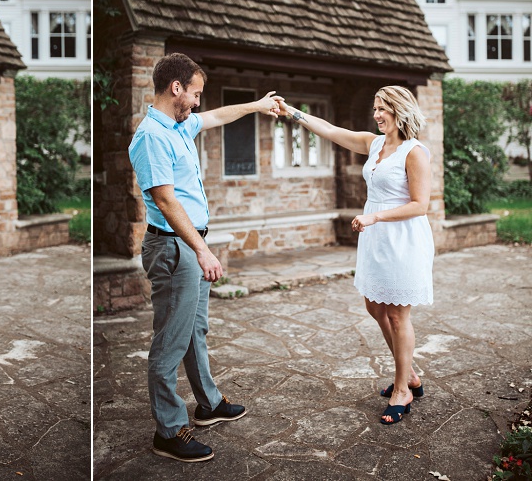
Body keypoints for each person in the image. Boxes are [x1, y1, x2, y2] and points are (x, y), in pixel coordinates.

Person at [128, 52, 282, 462]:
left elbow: (217, 117)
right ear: (175, 88)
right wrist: (202, 249)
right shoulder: (152, 136)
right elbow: (164, 198)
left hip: (188, 245)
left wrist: (256, 105)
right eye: (195, 94)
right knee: (170, 341)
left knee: (195, 331)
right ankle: (169, 430)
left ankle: (209, 404)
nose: (198, 103)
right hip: (175, 247)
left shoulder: (179, 125)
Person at [276, 86, 434, 426]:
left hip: (401, 238)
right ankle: (411, 374)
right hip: (375, 237)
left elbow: (421, 204)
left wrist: (375, 217)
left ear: (399, 110)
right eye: (375, 109)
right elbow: (331, 131)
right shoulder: (374, 143)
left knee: (396, 315)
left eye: (382, 109)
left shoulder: (414, 152)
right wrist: (293, 113)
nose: (376, 115)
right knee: (374, 306)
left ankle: (403, 389)